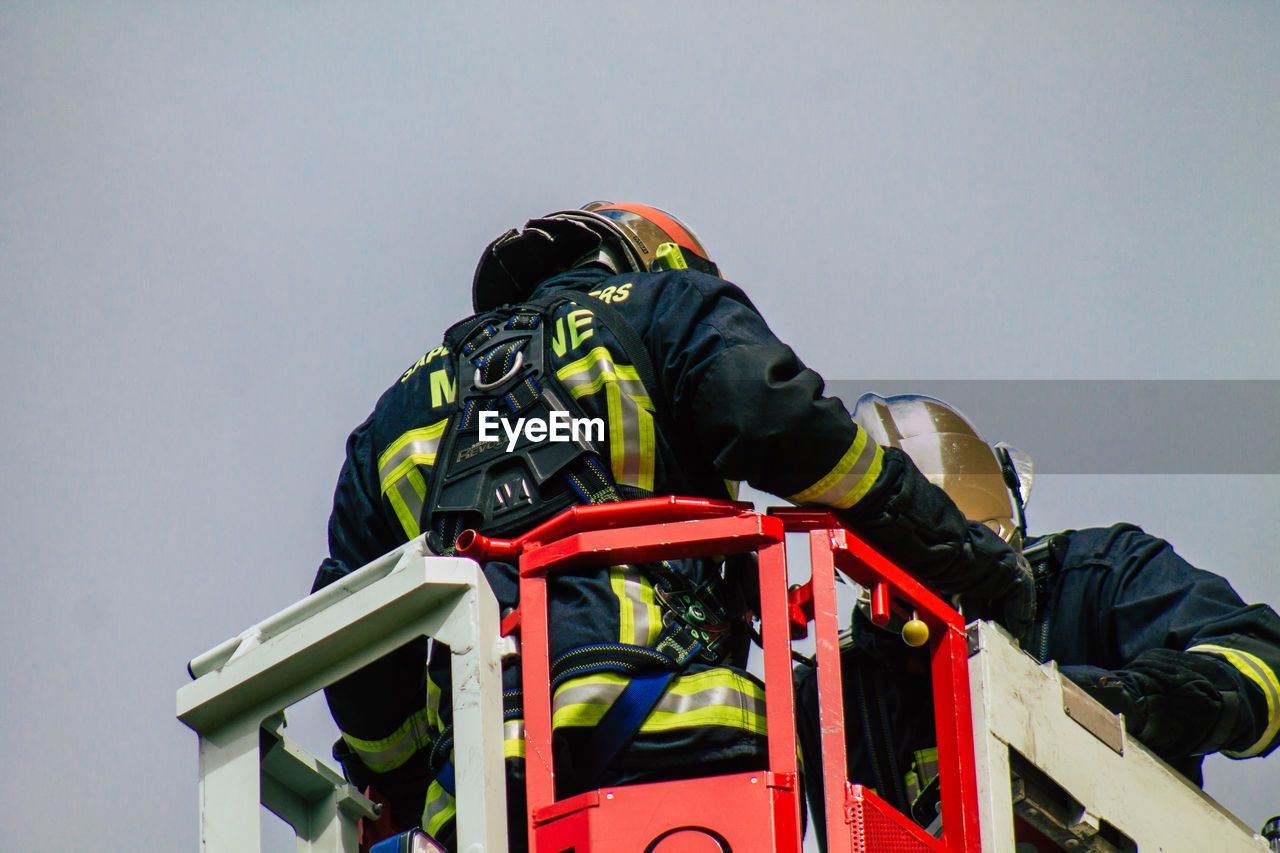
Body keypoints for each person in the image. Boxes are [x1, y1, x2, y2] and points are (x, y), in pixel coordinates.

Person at [312, 205, 1035, 850]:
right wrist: (965, 558)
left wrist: (416, 794)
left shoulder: (393, 417)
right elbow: (788, 428)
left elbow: (358, 659)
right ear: (655, 260)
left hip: (481, 788)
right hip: (676, 740)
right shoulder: (666, 306)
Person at [794, 393, 1280, 846]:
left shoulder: (1099, 576)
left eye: (979, 565)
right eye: (928, 583)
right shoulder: (834, 694)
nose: (957, 610)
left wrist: (1134, 699)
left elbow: (1259, 662)